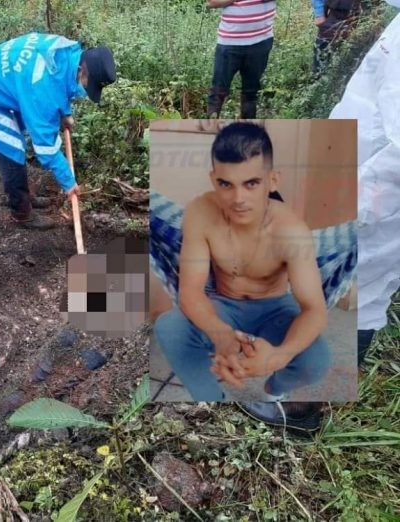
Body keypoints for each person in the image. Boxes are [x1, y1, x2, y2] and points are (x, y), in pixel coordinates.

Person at [240, 1, 400, 432]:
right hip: (358, 182)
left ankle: (299, 408)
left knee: (350, 293)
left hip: (368, 202)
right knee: (359, 293)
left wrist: (348, 205)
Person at [154, 122, 331, 403]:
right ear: (214, 180)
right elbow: (190, 291)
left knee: (316, 361)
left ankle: (274, 390)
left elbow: (315, 310)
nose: (238, 199)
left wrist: (277, 357)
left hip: (275, 309)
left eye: (251, 183)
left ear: (273, 180)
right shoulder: (201, 212)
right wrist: (221, 334)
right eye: (226, 184)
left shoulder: (292, 231)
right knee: (169, 327)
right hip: (223, 303)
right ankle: (212, 402)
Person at [0, 33, 116, 229]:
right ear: (82, 70)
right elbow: (45, 148)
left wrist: (64, 113)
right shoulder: (43, 89)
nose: (85, 91)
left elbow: (62, 83)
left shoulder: (66, 52)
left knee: (15, 143)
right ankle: (21, 212)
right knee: (11, 148)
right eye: (87, 85)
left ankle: (27, 196)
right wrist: (68, 182)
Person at [206, 0, 277, 119]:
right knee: (217, 93)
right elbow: (212, 2)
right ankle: (208, 132)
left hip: (260, 41)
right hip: (229, 43)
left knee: (250, 94)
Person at [311, 0, 362, 75]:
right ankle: (319, 79)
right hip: (335, 13)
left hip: (361, 14)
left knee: (354, 57)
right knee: (322, 50)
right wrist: (319, 13)